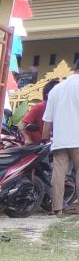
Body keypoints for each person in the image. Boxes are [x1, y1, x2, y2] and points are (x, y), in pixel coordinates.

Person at [43, 62, 79, 215]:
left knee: (58, 173)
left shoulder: (56, 90)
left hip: (60, 140)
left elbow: (47, 120)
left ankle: (57, 207)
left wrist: (44, 140)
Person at [20, 78, 58, 144]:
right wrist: (27, 138)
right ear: (48, 94)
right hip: (39, 147)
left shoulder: (61, 108)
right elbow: (21, 125)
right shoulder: (39, 107)